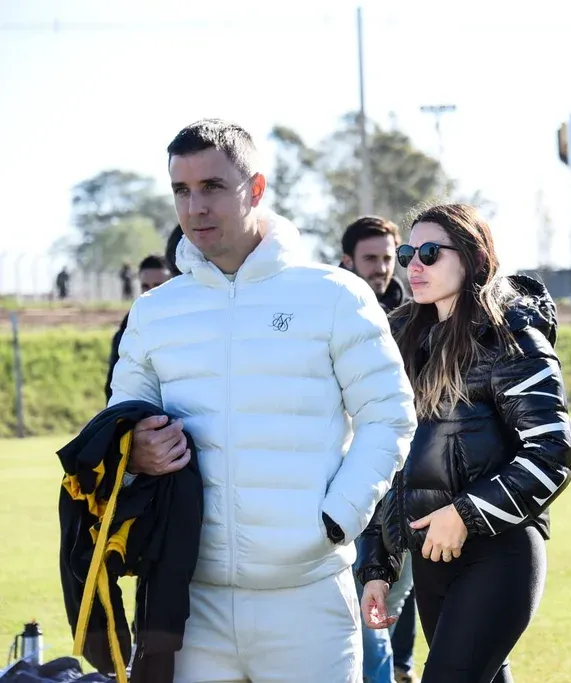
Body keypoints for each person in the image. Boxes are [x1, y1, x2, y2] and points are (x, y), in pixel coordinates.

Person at [107, 118, 417, 683]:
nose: (196, 206)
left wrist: (336, 520)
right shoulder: (154, 311)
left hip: (306, 599)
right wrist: (135, 452)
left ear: (254, 188)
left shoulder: (334, 295)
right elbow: (119, 428)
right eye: (181, 190)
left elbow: (389, 415)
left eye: (212, 187)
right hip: (188, 603)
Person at [356, 203, 571, 683]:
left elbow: (552, 453)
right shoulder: (401, 343)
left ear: (474, 258)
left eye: (430, 253)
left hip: (497, 554)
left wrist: (463, 514)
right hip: (430, 560)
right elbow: (387, 460)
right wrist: (377, 566)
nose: (414, 265)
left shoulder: (512, 339)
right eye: (409, 253)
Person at [340, 214, 418, 683]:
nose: (382, 267)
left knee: (399, 584)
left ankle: (400, 666)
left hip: (405, 469)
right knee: (359, 597)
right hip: (346, 472)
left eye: (389, 257)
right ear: (347, 260)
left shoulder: (413, 314)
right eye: (370, 258)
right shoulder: (332, 311)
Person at [104, 254, 173, 401]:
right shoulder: (129, 325)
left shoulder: (184, 322)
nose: (151, 292)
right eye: (145, 286)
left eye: (158, 285)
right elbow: (114, 384)